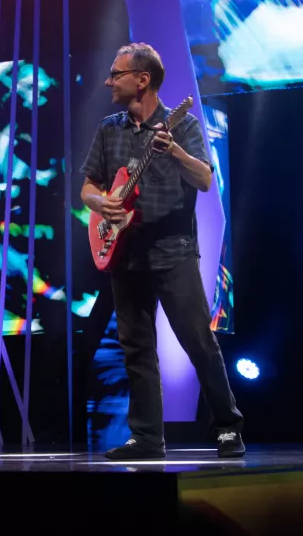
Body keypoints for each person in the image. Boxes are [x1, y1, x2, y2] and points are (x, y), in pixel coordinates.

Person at [80, 42, 245, 460]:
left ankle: (227, 426)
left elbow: (204, 180)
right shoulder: (109, 129)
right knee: (136, 348)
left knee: (198, 341)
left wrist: (174, 150)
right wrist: (102, 203)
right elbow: (88, 187)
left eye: (116, 74)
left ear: (142, 79)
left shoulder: (183, 124)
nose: (108, 81)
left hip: (174, 251)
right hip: (125, 253)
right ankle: (147, 438)